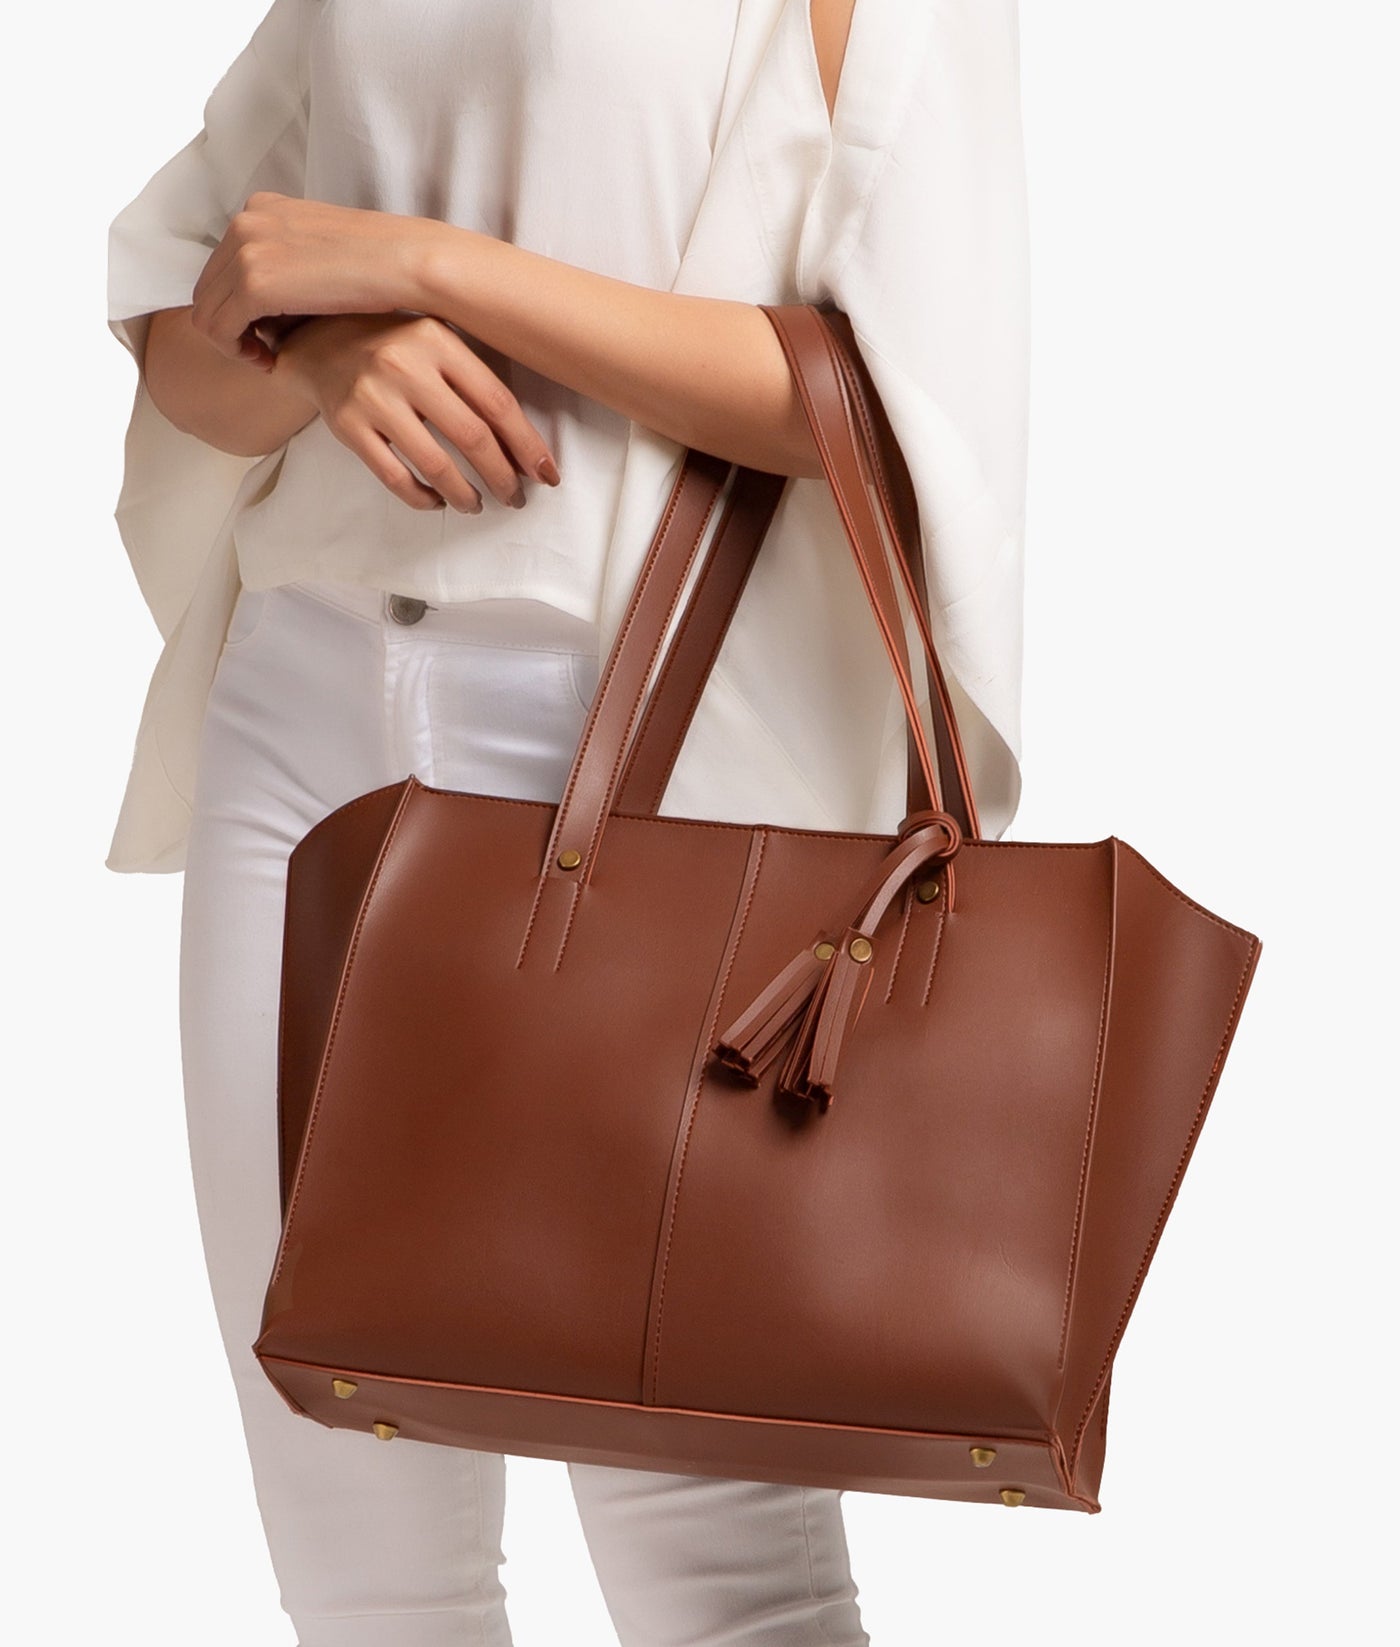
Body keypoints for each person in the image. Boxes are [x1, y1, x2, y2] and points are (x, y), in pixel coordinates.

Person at [104, 2, 1031, 1642]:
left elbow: (883, 401)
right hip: (302, 727)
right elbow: (199, 316)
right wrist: (321, 355)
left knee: (717, 1567)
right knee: (358, 1560)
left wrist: (435, 270)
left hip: (652, 740)